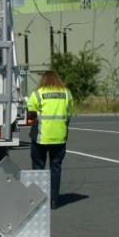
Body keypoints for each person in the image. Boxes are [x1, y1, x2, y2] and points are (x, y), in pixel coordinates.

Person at [26, 71, 73, 210]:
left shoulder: (38, 93)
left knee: (38, 168)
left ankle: (38, 200)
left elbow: (30, 113)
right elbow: (69, 114)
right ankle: (54, 200)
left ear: (43, 80)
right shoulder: (66, 94)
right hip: (59, 137)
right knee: (56, 168)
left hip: (41, 137)